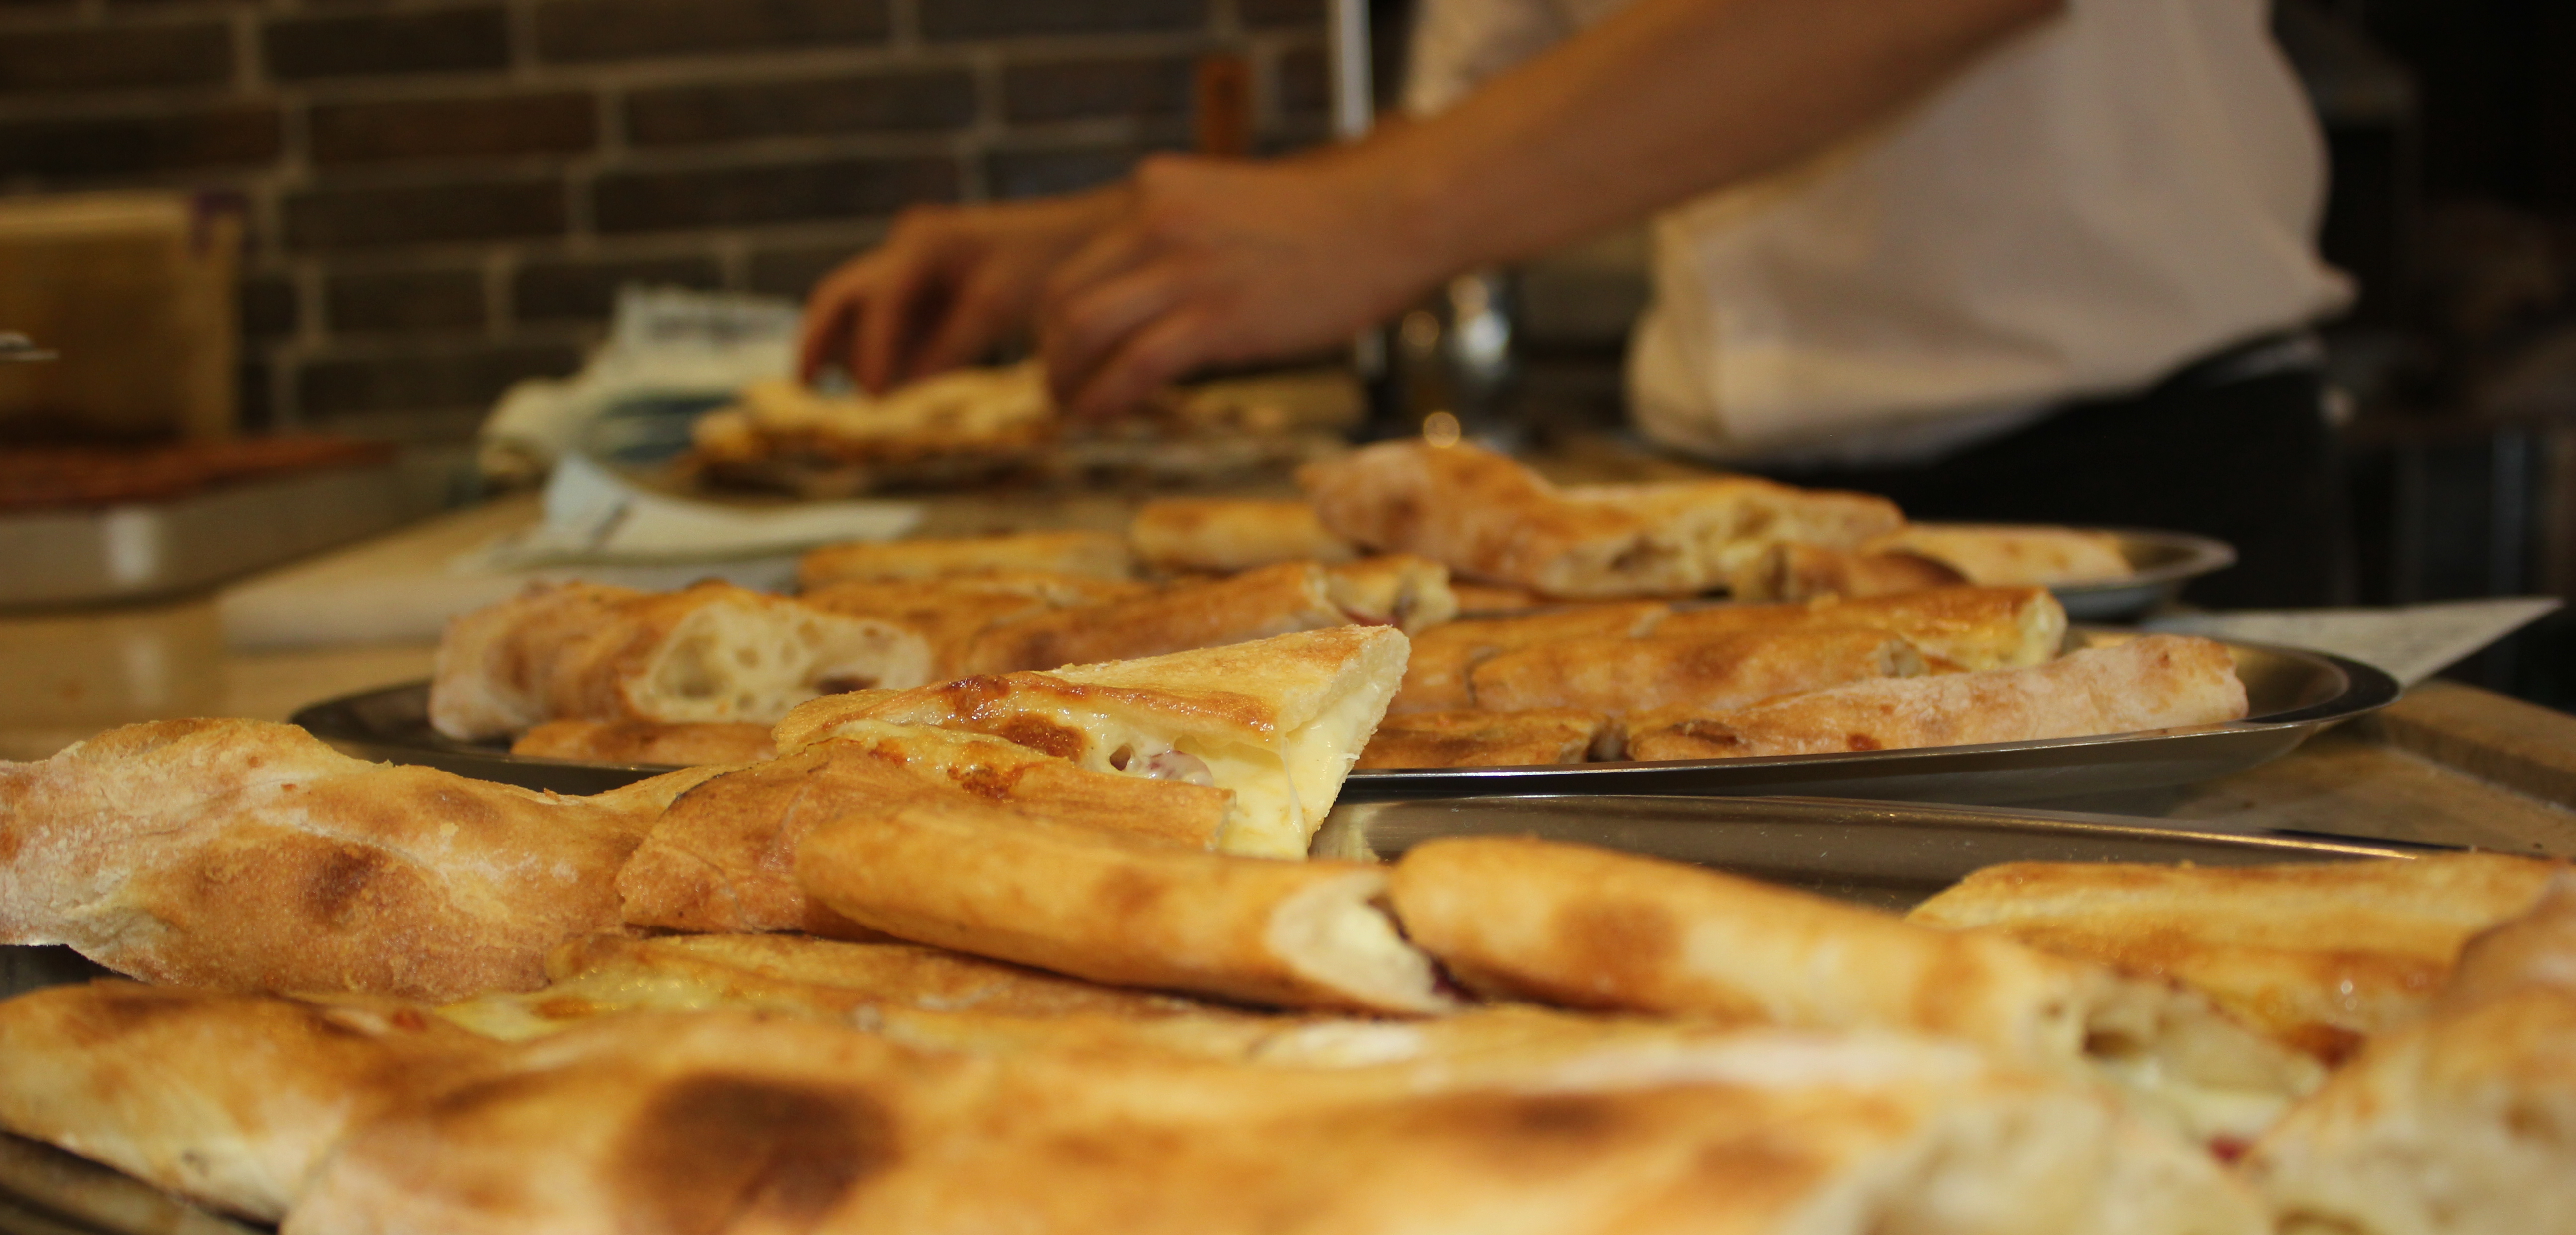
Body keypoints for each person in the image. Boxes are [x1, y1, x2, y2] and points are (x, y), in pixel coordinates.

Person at [799, 0, 2351, 605]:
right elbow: (1494, 120)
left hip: (2127, 485)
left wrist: (1373, 221)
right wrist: (1109, 242)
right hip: (1720, 519)